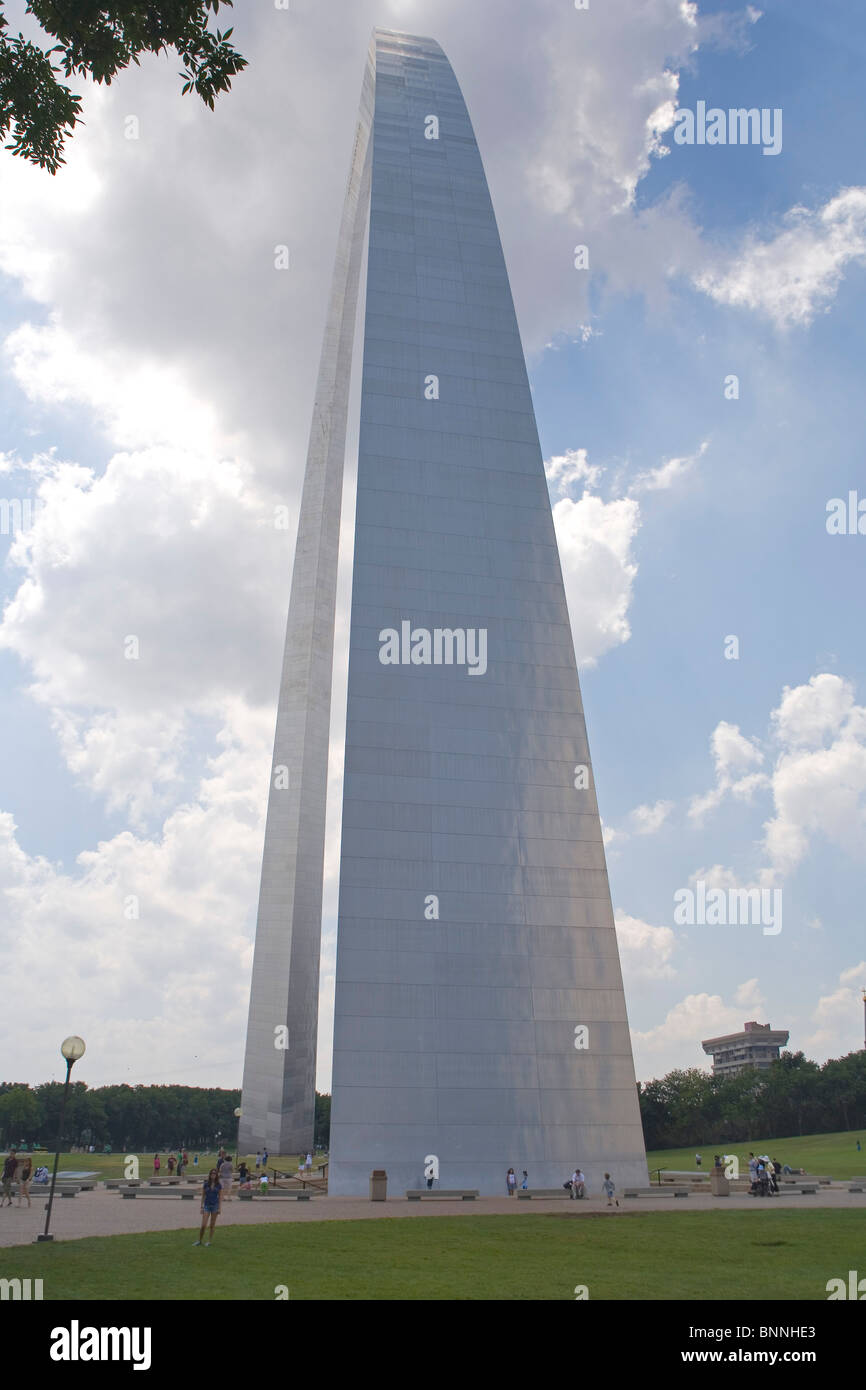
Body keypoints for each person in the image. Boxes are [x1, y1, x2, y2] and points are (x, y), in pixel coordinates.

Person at [194, 1169, 222, 1246]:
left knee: (212, 1225)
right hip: (206, 1205)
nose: (213, 1175)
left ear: (216, 1175)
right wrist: (201, 1206)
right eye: (212, 1173)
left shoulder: (218, 1185)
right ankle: (199, 1240)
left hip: (215, 1206)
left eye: (214, 1174)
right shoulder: (206, 1184)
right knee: (203, 1225)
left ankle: (209, 1241)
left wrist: (219, 1208)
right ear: (210, 1175)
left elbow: (220, 1197)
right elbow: (203, 1196)